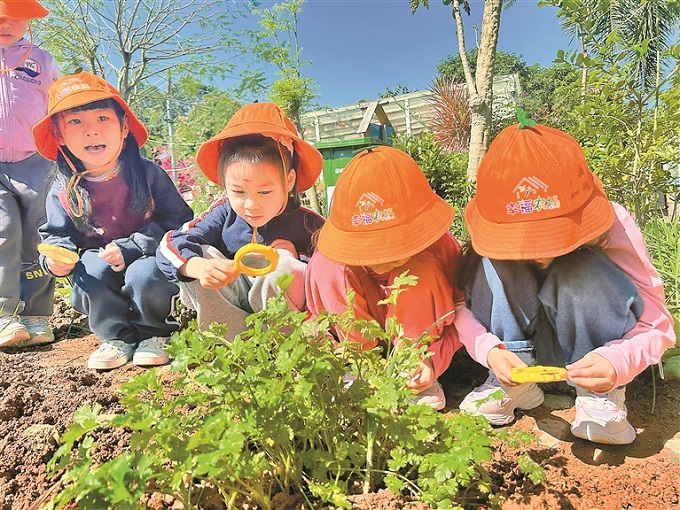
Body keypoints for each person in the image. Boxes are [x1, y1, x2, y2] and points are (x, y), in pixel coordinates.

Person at [456, 120, 676, 444]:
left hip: (594, 353)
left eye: (549, 238)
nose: (538, 254)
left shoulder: (616, 227)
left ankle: (599, 395)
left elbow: (659, 325)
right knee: (491, 263)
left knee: (580, 270)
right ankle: (516, 385)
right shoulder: (488, 242)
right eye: (522, 242)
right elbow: (460, 307)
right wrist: (489, 350)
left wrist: (616, 361)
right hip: (522, 348)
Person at [305, 146, 505, 411]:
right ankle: (359, 363)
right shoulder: (330, 265)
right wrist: (330, 352)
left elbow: (462, 311)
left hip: (422, 340)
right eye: (368, 250)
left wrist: (432, 358)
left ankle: (412, 365)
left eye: (395, 250)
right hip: (354, 344)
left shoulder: (438, 248)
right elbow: (316, 322)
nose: (381, 261)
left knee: (419, 270)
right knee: (327, 266)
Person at [32, 71, 193, 370]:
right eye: (76, 122)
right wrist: (56, 259)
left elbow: (179, 222)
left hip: (148, 253)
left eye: (102, 119)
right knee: (90, 268)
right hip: (100, 258)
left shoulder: (147, 175)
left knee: (146, 273)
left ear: (123, 127)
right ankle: (116, 336)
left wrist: (133, 246)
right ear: (59, 135)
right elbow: (55, 235)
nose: (91, 131)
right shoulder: (63, 190)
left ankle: (155, 332)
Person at [156, 102, 325, 341]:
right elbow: (171, 244)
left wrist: (299, 259)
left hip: (284, 321)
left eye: (264, 192)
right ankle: (229, 345)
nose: (251, 205)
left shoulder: (309, 223)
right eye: (238, 192)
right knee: (202, 256)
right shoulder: (223, 214)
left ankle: (284, 344)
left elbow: (334, 269)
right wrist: (197, 267)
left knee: (285, 266)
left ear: (288, 181)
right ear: (225, 185)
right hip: (232, 307)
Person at [0, 0, 60, 347]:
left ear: (28, 19)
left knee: (37, 236)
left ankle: (37, 312)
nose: (5, 23)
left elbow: (59, 105)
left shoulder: (42, 60)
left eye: (13, 17)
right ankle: (6, 315)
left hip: (37, 161)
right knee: (3, 232)